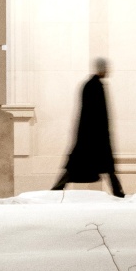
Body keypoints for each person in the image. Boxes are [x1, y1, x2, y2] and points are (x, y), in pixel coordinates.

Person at [52, 58, 123, 196]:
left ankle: (56, 190)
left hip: (90, 136)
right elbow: (95, 114)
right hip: (94, 137)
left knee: (78, 166)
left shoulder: (91, 85)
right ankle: (118, 192)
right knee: (104, 167)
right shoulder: (95, 86)